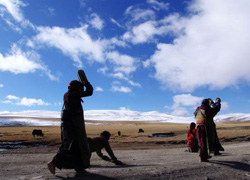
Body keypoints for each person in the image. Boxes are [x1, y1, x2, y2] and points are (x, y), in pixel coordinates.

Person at [47, 77, 93, 175]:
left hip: (70, 125)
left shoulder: (68, 95)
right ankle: (53, 163)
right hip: (72, 126)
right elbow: (89, 92)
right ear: (77, 88)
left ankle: (79, 166)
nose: (81, 89)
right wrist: (86, 83)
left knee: (76, 146)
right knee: (70, 146)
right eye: (80, 88)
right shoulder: (73, 95)